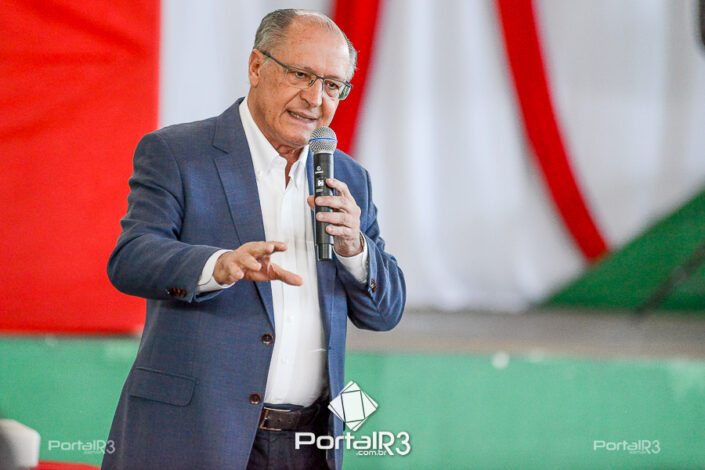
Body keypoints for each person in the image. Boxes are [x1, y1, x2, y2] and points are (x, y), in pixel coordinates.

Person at [101, 8, 405, 470]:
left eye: (332, 85)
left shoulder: (348, 178)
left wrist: (355, 251)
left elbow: (385, 313)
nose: (315, 99)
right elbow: (131, 259)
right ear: (257, 66)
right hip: (196, 436)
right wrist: (217, 266)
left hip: (308, 444)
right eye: (301, 75)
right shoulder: (178, 153)